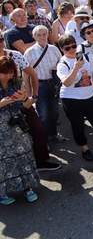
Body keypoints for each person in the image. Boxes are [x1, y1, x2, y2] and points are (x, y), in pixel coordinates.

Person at [0, 57, 39, 205]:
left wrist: (26, 99)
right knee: (4, 161)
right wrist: (2, 103)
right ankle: (2, 193)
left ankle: (28, 188)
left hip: (17, 125)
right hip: (1, 129)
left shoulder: (16, 82)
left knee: (24, 156)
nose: (8, 76)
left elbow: (26, 106)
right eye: (4, 72)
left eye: (11, 72)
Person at [24, 25, 62, 142]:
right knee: (43, 114)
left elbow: (61, 65)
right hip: (39, 85)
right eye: (39, 35)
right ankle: (44, 141)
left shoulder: (54, 49)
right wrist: (30, 93)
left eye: (44, 34)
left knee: (55, 112)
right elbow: (25, 74)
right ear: (34, 36)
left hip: (54, 84)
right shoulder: (29, 52)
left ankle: (54, 134)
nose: (42, 37)